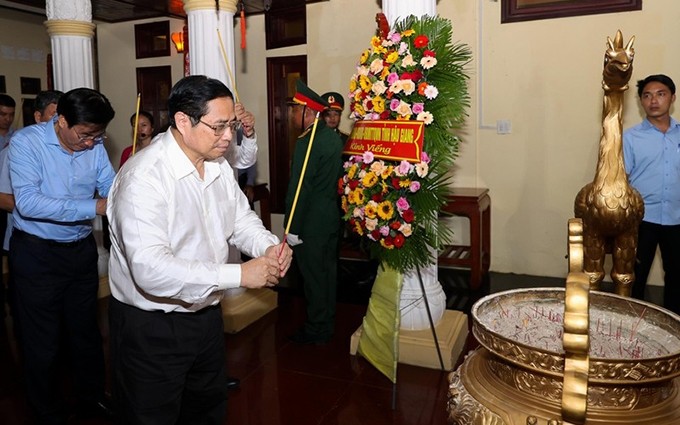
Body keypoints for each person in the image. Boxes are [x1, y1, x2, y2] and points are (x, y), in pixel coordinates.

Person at [107, 75, 292, 424]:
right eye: (219, 126)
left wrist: (268, 247)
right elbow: (150, 269)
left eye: (231, 126)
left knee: (206, 409)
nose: (228, 137)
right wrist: (239, 274)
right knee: (151, 415)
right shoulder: (143, 178)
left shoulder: (217, 164)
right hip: (152, 326)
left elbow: (240, 219)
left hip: (205, 314)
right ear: (182, 121)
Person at [8, 87, 116, 424]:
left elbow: (110, 185)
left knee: (85, 332)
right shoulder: (27, 143)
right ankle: (46, 409)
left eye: (97, 136)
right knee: (42, 339)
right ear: (62, 120)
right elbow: (29, 202)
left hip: (80, 250)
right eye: (84, 135)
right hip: (37, 254)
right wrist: (95, 206)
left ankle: (93, 398)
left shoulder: (94, 144)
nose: (90, 143)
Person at [286, 80, 343, 345]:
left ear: (308, 111)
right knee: (327, 275)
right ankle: (327, 321)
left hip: (310, 224)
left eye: (295, 109)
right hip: (329, 219)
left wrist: (291, 228)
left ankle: (317, 328)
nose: (292, 114)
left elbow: (300, 188)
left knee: (314, 278)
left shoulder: (307, 141)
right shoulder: (330, 136)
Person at [0, 90, 63, 324]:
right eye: (55, 115)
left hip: (63, 246)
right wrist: (40, 205)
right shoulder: (19, 147)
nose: (62, 122)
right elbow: (3, 197)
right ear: (38, 117)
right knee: (31, 315)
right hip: (30, 243)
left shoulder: (77, 150)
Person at [623, 74, 680, 314]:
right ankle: (632, 330)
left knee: (677, 278)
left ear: (672, 98)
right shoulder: (631, 137)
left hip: (677, 218)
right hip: (642, 219)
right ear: (640, 101)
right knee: (635, 276)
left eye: (660, 94)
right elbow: (622, 180)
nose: (653, 100)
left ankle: (673, 330)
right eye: (647, 95)